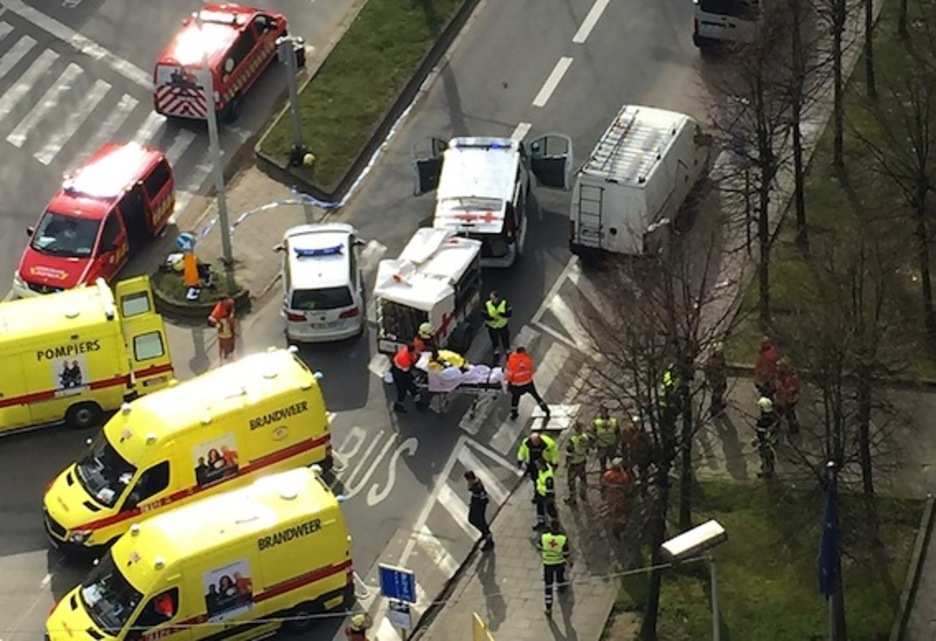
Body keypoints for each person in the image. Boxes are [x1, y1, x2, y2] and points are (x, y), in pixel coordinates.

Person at [505, 347, 550, 420]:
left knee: (515, 398)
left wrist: (509, 384)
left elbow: (509, 374)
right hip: (528, 383)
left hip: (517, 385)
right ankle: (546, 409)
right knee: (536, 396)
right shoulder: (527, 359)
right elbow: (530, 369)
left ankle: (514, 413)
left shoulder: (512, 360)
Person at [538, 520, 571, 617]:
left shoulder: (545, 537)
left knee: (548, 586)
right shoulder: (562, 539)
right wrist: (567, 561)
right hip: (559, 563)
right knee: (560, 577)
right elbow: (566, 553)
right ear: (558, 527)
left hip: (548, 564)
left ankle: (548, 608)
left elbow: (539, 546)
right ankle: (561, 588)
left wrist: (546, 552)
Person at [517, 432, 559, 498]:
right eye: (533, 442)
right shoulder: (526, 443)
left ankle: (548, 494)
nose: (535, 443)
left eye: (536, 441)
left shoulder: (549, 443)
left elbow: (554, 453)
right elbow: (522, 451)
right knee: (535, 480)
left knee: (546, 480)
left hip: (543, 465)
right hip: (532, 465)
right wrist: (520, 459)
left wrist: (554, 462)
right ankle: (537, 493)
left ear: (539, 439)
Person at [601, 458, 632, 539]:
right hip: (620, 497)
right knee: (620, 513)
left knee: (615, 512)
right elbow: (627, 487)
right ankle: (618, 528)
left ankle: (616, 528)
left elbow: (603, 483)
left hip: (611, 496)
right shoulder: (624, 476)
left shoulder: (608, 474)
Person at [464, 471, 494, 550]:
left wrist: (475, 505)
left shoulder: (476, 487)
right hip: (478, 504)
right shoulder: (477, 483)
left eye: (468, 480)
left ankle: (488, 537)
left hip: (478, 506)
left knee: (476, 520)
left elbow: (470, 489)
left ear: (470, 479)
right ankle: (486, 533)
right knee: (478, 520)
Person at [564, 421, 591, 505]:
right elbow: (587, 449)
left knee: (571, 481)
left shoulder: (573, 440)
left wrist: (567, 463)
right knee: (583, 478)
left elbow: (570, 454)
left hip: (574, 463)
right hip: (582, 461)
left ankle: (572, 498)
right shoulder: (585, 437)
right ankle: (583, 493)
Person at [391, 344, 421, 414]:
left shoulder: (406, 350)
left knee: (411, 384)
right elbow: (406, 370)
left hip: (401, 369)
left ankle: (417, 399)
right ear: (411, 352)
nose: (416, 351)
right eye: (415, 351)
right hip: (399, 373)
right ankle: (398, 404)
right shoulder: (404, 359)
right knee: (402, 390)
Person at [774, 357, 801, 435]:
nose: (777, 368)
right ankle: (777, 426)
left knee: (789, 414)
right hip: (782, 398)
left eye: (779, 367)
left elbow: (793, 387)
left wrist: (785, 390)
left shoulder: (792, 376)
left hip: (789, 399)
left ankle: (794, 427)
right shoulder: (779, 375)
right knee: (779, 413)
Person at [754, 396, 779, 479]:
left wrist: (757, 440)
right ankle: (768, 469)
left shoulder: (762, 420)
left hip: (766, 440)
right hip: (773, 439)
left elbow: (761, 433)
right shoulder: (775, 416)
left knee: (765, 455)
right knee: (769, 455)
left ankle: (767, 471)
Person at [483, 290, 512, 360]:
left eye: (493, 298)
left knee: (505, 338)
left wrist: (501, 314)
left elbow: (509, 314)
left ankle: (507, 349)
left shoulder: (504, 303)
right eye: (491, 298)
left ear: (497, 298)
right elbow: (484, 315)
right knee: (494, 339)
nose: (492, 300)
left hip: (502, 325)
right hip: (492, 326)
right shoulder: (487, 304)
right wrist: (492, 318)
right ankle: (496, 349)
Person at [208, 297, 237, 362]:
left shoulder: (229, 303)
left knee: (230, 341)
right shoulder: (219, 308)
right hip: (224, 328)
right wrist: (219, 325)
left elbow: (231, 313)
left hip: (227, 326)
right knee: (225, 342)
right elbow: (211, 319)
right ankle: (225, 356)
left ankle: (229, 354)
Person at [703, 342, 728, 415]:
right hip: (715, 379)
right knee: (716, 394)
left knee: (721, 390)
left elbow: (723, 366)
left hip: (721, 379)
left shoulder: (721, 358)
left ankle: (718, 406)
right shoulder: (711, 360)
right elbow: (707, 368)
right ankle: (715, 409)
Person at [533, 457, 557, 530]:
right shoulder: (542, 470)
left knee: (549, 510)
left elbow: (549, 489)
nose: (536, 466)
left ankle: (553, 525)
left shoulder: (548, 477)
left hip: (546, 496)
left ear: (542, 465)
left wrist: (548, 499)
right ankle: (541, 522)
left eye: (538, 465)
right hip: (540, 494)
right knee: (540, 509)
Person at [593, 406, 619, 472]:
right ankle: (603, 475)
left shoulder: (613, 421)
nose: (603, 413)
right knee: (602, 463)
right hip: (602, 446)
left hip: (612, 445)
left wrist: (617, 443)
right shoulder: (597, 422)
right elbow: (593, 433)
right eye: (602, 412)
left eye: (604, 411)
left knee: (614, 462)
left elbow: (617, 432)